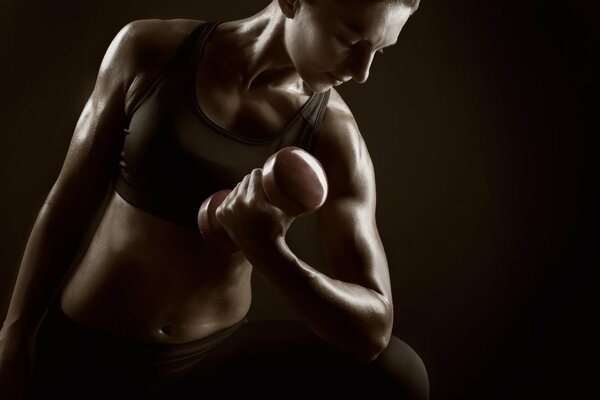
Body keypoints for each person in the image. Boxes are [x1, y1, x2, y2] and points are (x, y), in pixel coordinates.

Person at [0, 0, 428, 398]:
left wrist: (270, 253)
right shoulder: (149, 51)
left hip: (209, 363)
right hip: (89, 351)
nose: (362, 71)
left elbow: (372, 330)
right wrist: (14, 339)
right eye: (350, 40)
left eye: (380, 51)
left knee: (399, 372)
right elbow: (68, 202)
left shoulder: (335, 135)